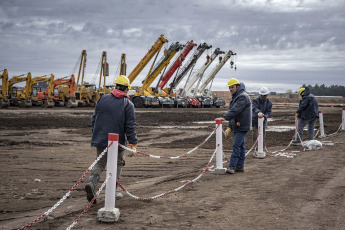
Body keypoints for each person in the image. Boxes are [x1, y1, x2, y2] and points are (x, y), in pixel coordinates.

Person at [85, 75, 138, 203]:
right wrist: (133, 143)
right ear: (126, 89)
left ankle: (92, 184)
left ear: (115, 86)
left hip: (101, 137)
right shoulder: (127, 104)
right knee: (118, 163)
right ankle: (112, 192)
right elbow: (129, 126)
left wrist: (96, 134)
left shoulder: (102, 99)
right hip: (117, 142)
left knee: (100, 162)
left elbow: (94, 119)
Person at [217, 78, 251, 174]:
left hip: (242, 126)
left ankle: (232, 167)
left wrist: (225, 117)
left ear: (238, 86)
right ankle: (240, 166)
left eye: (232, 87)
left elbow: (235, 110)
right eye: (229, 88)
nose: (231, 89)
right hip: (237, 125)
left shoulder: (242, 97)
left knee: (236, 146)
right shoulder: (236, 96)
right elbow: (234, 112)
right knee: (241, 146)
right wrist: (229, 126)